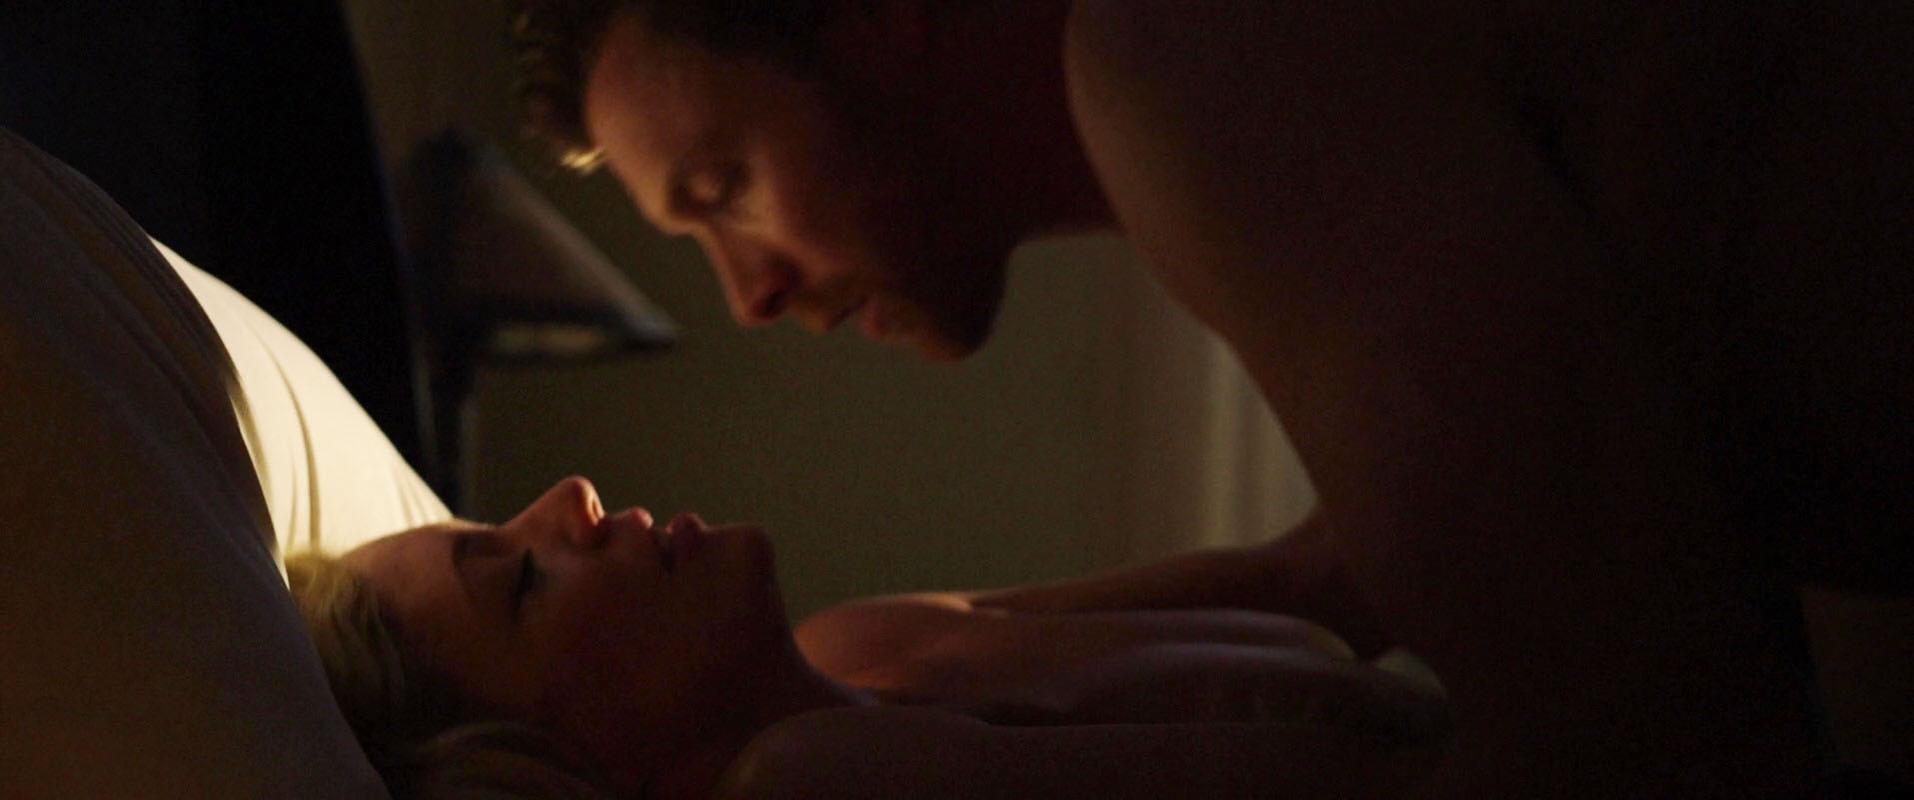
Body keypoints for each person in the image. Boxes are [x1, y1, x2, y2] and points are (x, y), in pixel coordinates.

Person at [506, 1, 1913, 795]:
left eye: (723, 190)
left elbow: (1660, 747)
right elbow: (1380, 561)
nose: (747, 294)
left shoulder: (1187, 55)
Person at [290, 477, 1450, 799]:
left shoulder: (860, 644)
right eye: (523, 576)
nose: (573, 498)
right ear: (555, 762)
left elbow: (1314, 581)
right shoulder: (808, 776)